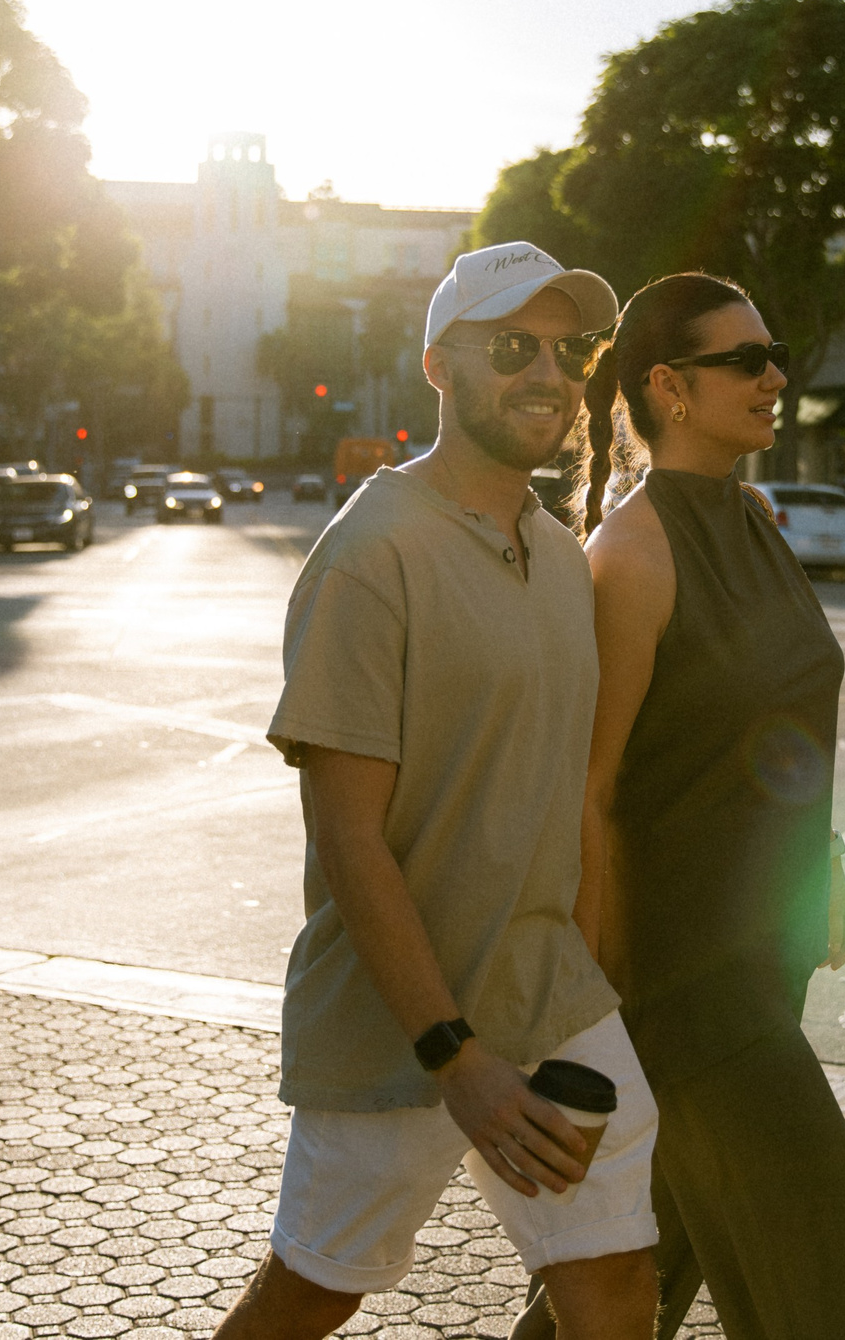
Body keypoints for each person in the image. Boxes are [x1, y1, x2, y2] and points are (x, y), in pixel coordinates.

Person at [212, 243, 658, 1340]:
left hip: (551, 998)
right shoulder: (371, 554)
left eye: (568, 350)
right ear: (438, 367)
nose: (546, 373)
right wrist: (453, 1056)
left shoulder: (558, 555)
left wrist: (587, 967)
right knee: (314, 1291)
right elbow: (349, 838)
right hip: (401, 1021)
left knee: (613, 1272)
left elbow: (565, 790)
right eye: (510, 347)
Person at [520, 271, 845, 1339]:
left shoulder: (753, 518)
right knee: (836, 1269)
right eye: (746, 360)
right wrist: (595, 1005)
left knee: (629, 1273)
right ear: (670, 387)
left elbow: (776, 737)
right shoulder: (631, 556)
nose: (775, 377)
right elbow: (591, 789)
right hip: (688, 988)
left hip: (765, 962)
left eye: (773, 355)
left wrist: (825, 868)